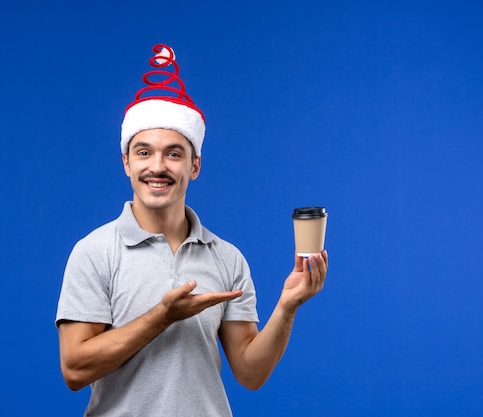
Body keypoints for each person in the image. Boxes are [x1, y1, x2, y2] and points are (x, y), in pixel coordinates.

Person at [55, 44, 328, 417]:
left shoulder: (226, 258)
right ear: (126, 163)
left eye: (173, 153)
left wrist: (287, 307)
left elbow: (250, 373)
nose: (157, 166)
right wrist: (163, 316)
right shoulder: (95, 252)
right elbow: (74, 369)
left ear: (194, 165)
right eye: (144, 152)